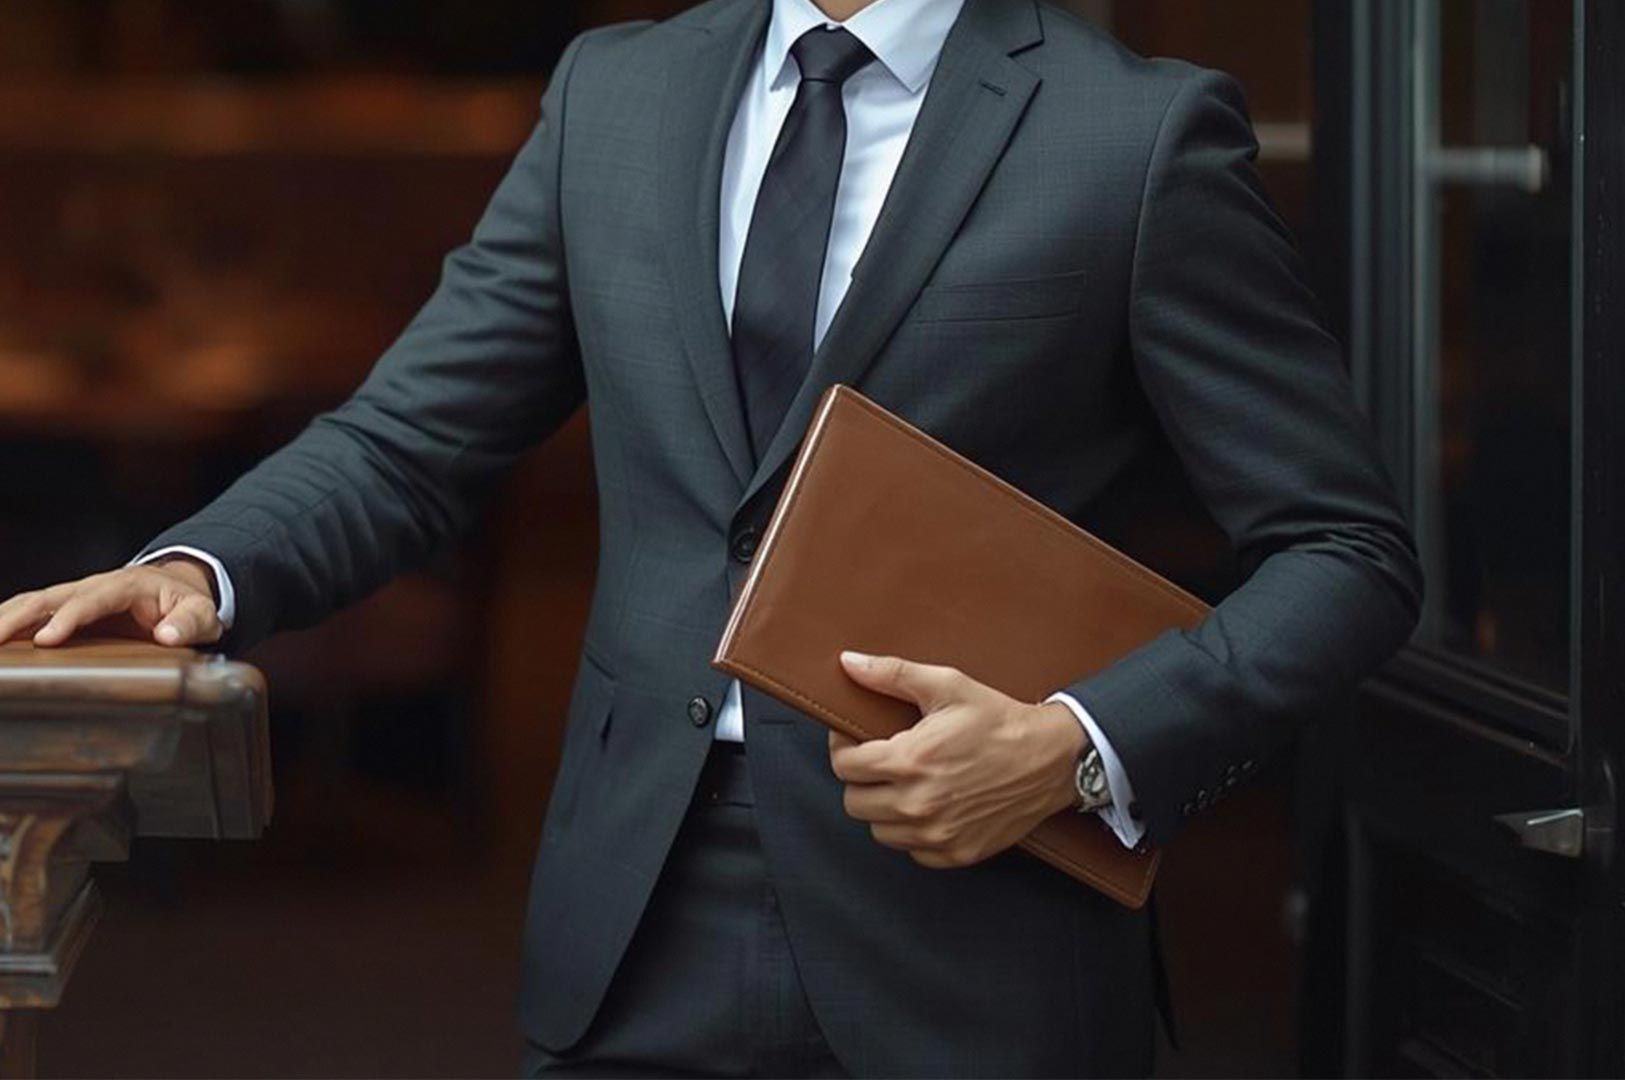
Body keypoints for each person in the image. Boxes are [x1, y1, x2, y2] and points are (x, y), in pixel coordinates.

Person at [0, 0, 1423, 1075]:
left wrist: (1077, 745)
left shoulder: (1136, 135)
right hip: (632, 914)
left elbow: (1342, 553)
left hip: (976, 923)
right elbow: (408, 440)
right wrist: (193, 568)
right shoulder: (614, 94)